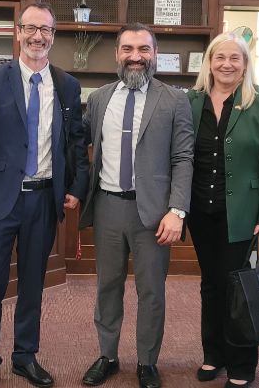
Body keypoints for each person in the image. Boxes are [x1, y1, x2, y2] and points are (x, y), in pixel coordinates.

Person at [0, 2, 89, 388]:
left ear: (54, 35)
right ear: (18, 32)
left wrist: (74, 188)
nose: (38, 36)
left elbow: (76, 142)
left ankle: (25, 356)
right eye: (31, 28)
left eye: (46, 30)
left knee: (34, 282)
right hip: (0, 201)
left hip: (43, 200)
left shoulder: (67, 85)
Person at [78, 23, 194, 388]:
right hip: (108, 207)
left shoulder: (175, 100)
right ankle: (108, 356)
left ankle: (147, 362)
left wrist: (177, 210)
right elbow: (81, 149)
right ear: (117, 54)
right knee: (107, 287)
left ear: (154, 53)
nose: (136, 57)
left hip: (155, 214)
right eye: (128, 49)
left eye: (143, 49)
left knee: (151, 291)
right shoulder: (98, 99)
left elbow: (184, 157)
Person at [185, 32, 259, 388]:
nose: (226, 64)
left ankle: (242, 365)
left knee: (239, 288)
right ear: (209, 63)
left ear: (245, 64)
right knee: (211, 285)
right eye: (219, 57)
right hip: (200, 210)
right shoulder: (192, 101)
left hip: (243, 212)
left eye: (234, 58)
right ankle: (213, 356)